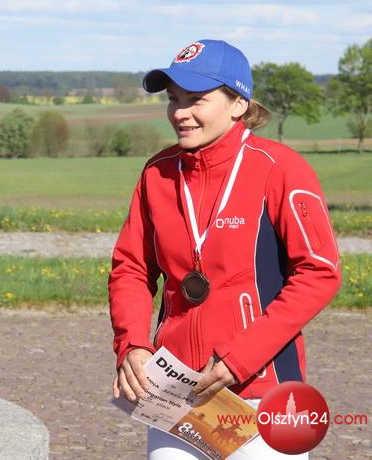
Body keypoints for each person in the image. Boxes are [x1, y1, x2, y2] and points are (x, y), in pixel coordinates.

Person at [108, 40, 341, 459]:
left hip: (263, 393)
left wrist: (239, 359)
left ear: (238, 104)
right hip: (175, 394)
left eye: (196, 99)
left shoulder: (281, 169)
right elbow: (131, 268)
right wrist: (133, 344)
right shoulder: (157, 173)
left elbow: (319, 272)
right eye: (173, 98)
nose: (179, 113)